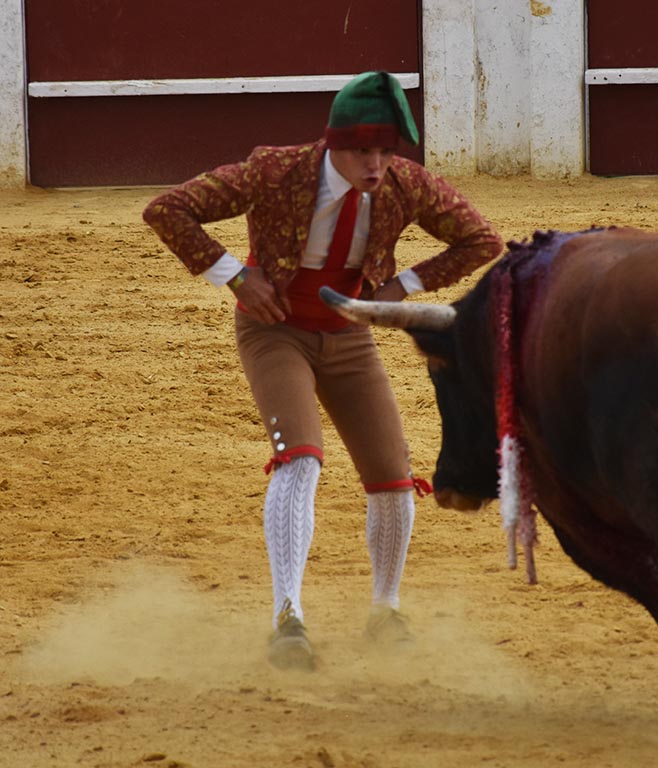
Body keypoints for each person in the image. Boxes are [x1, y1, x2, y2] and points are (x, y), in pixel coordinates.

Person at [143, 71, 504, 670]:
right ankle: (288, 617)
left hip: (349, 335)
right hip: (274, 330)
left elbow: (481, 240)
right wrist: (235, 275)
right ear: (334, 143)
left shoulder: (405, 183)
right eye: (364, 151)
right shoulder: (276, 171)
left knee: (393, 476)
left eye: (386, 150)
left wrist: (403, 285)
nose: (376, 164)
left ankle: (385, 611)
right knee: (301, 458)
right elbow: (168, 209)